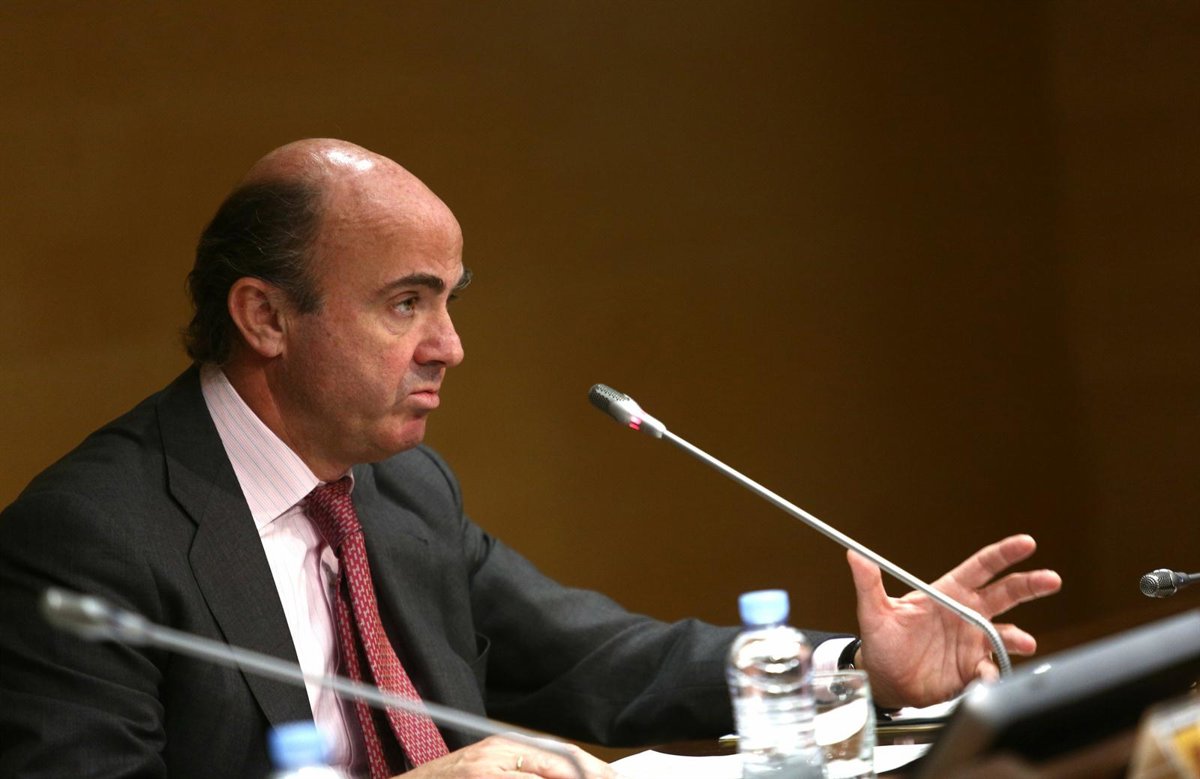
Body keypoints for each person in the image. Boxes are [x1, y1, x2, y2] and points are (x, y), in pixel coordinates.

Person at [0, 139, 1061, 779]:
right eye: (406, 302)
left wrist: (856, 667)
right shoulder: (93, 539)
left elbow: (590, 660)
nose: (449, 346)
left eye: (450, 301)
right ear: (265, 317)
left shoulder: (400, 488)